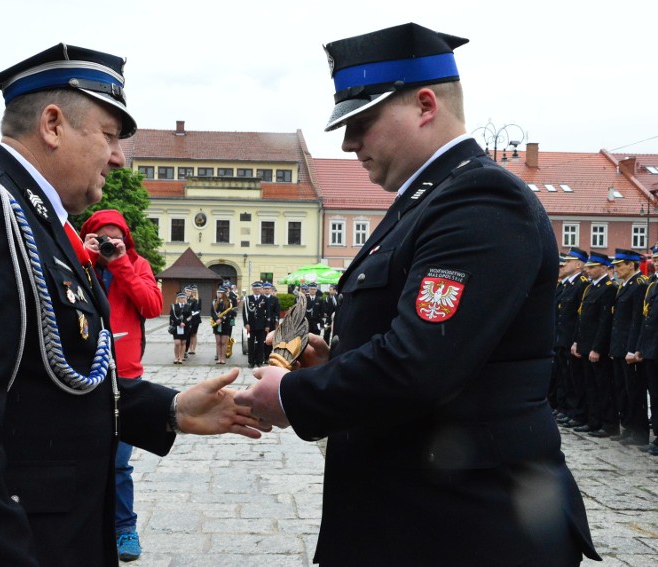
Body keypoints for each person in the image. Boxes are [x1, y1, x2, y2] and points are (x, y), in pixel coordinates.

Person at [0, 44, 267, 567]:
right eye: (109, 135)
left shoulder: (34, 217)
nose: (119, 156)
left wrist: (168, 409)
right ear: (53, 125)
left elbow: (56, 378)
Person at [236, 23, 598, 566]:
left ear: (425, 104)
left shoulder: (480, 199)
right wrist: (334, 363)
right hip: (415, 515)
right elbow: (435, 347)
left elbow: (421, 364)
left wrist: (291, 398)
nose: (348, 142)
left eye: (361, 121)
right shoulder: (426, 201)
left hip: (468, 525)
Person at [79, 208, 163, 561]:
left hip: (125, 374)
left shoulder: (136, 264)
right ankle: (85, 526)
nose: (109, 243)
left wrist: (121, 263)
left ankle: (124, 528)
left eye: (116, 237)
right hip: (82, 373)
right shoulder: (77, 260)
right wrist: (84, 255)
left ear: (125, 239)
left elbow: (152, 306)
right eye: (102, 237)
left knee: (118, 462)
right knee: (82, 458)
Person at [571, 252, 617, 436]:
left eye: (592, 267)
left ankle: (608, 424)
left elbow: (605, 322)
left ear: (604, 268)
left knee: (602, 387)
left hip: (597, 348)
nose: (587, 270)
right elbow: (582, 318)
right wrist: (576, 341)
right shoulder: (590, 288)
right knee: (589, 386)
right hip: (585, 346)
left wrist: (597, 348)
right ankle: (594, 420)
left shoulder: (608, 288)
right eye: (587, 267)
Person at [611, 249, 650, 447]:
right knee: (623, 389)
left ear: (631, 265)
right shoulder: (625, 285)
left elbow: (637, 320)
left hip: (629, 346)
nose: (616, 269)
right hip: (619, 346)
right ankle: (628, 425)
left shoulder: (639, 285)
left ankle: (640, 430)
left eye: (619, 266)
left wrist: (632, 348)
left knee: (634, 390)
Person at [552, 248, 589, 428]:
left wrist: (576, 340)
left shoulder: (581, 284)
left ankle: (576, 412)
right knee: (564, 377)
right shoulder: (567, 285)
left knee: (574, 379)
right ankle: (565, 408)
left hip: (570, 339)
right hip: (561, 337)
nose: (564, 264)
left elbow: (579, 316)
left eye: (568, 262)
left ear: (578, 265)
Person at [634, 244, 658, 455]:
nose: (657, 263)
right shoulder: (652, 286)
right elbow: (645, 319)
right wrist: (641, 347)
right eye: (656, 260)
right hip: (651, 349)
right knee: (655, 394)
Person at [242, 281, 269, 368]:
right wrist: (246, 323)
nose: (256, 290)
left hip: (261, 326)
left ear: (261, 289)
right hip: (251, 326)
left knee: (261, 344)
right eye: (255, 289)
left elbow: (268, 313)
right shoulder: (248, 299)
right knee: (250, 344)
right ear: (252, 289)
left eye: (258, 289)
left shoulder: (264, 299)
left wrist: (267, 325)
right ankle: (251, 361)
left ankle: (259, 361)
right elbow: (244, 312)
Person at [210, 286, 236, 364]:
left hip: (225, 324)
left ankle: (223, 358)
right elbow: (212, 312)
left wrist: (221, 319)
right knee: (218, 342)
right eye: (218, 293)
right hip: (216, 324)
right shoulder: (214, 302)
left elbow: (229, 313)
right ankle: (219, 357)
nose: (218, 294)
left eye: (220, 293)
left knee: (224, 342)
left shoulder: (229, 302)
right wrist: (216, 319)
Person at [170, 291, 192, 364]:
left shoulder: (188, 306)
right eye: (181, 298)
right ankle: (176, 357)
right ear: (178, 298)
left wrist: (184, 322)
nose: (183, 299)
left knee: (183, 342)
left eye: (184, 298)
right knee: (177, 343)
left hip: (185, 327)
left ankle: (181, 358)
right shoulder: (174, 306)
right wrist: (179, 323)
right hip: (176, 326)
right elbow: (172, 316)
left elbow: (190, 316)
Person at [263, 282, 281, 365]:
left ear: (271, 290)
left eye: (268, 289)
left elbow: (277, 312)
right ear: (263, 289)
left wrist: (276, 321)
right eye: (265, 289)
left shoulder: (274, 299)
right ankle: (261, 356)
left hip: (271, 323)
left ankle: (268, 356)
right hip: (262, 323)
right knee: (261, 340)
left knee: (269, 340)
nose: (267, 290)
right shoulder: (261, 298)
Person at [186, 284, 202, 356]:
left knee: (194, 334)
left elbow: (199, 309)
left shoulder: (198, 299)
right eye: (193, 290)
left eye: (195, 290)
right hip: (189, 318)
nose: (194, 292)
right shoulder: (189, 299)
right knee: (189, 334)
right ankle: (189, 348)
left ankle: (193, 349)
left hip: (196, 318)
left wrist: (192, 314)